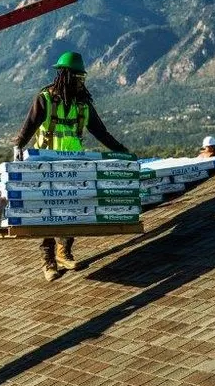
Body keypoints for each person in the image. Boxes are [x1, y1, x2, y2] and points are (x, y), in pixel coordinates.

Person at [12, 51, 130, 282]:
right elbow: (30, 125)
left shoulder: (83, 104)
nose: (81, 82)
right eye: (77, 78)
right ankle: (48, 262)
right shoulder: (45, 99)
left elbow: (101, 132)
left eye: (82, 78)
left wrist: (122, 151)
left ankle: (64, 250)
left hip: (73, 165)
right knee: (45, 214)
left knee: (72, 209)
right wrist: (18, 145)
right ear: (65, 75)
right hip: (45, 165)